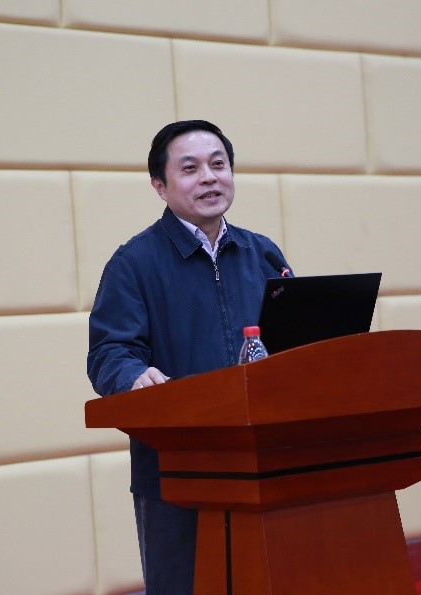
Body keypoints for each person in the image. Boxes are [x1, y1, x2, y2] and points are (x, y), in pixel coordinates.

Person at [87, 120, 292, 594]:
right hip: (177, 470)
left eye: (219, 164)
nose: (209, 177)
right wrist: (132, 376)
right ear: (160, 186)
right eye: (190, 168)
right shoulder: (134, 263)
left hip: (262, 459)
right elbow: (109, 352)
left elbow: (291, 342)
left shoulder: (261, 253)